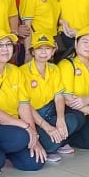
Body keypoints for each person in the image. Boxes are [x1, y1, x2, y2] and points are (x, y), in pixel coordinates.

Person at [0, 30, 45, 172]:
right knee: (20, 137)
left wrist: (34, 135)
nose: (5, 48)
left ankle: (6, 151)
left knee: (34, 163)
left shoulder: (15, 71)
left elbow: (24, 105)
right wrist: (25, 127)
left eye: (8, 44)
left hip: (14, 126)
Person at [21, 33, 70, 162]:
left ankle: (56, 139)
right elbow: (25, 105)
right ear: (32, 51)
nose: (43, 52)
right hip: (32, 117)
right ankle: (53, 143)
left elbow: (59, 96)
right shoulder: (22, 72)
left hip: (50, 112)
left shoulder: (54, 69)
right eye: (39, 48)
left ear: (53, 51)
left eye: (47, 48)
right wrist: (47, 126)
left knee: (76, 119)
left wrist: (60, 119)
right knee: (51, 143)